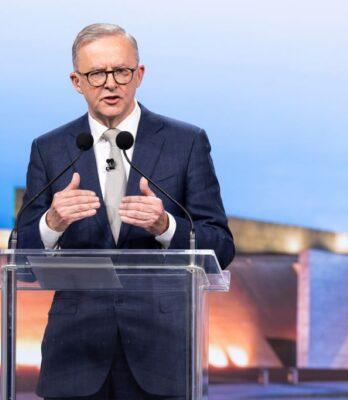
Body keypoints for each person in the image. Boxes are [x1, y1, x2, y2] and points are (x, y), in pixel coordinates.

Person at [17, 23, 235, 400]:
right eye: (96, 73)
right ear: (76, 81)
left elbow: (222, 246)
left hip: (161, 352)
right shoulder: (50, 149)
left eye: (121, 71)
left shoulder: (186, 143)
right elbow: (19, 255)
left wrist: (166, 226)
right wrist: (51, 223)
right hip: (75, 354)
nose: (110, 84)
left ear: (140, 75)